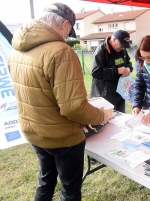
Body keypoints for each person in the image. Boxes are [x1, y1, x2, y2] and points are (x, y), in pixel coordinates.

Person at [8, 3, 109, 201]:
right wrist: (101, 116)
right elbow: (73, 107)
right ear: (64, 24)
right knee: (70, 190)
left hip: (34, 130)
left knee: (45, 180)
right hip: (62, 137)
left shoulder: (17, 49)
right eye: (68, 31)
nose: (67, 36)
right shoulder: (61, 52)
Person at [90, 30, 133, 113]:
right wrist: (117, 71)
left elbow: (128, 62)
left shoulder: (122, 50)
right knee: (107, 121)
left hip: (120, 92)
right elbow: (96, 72)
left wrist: (128, 68)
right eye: (122, 45)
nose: (123, 48)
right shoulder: (101, 50)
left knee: (120, 120)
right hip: (104, 95)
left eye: (125, 46)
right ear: (113, 39)